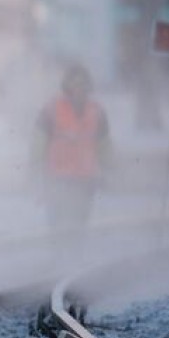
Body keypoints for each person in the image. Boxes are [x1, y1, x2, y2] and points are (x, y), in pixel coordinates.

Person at [31, 64, 112, 233]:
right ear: (67, 87)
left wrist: (109, 170)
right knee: (57, 224)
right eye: (75, 85)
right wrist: (35, 167)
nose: (79, 89)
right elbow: (39, 141)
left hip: (85, 180)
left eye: (83, 85)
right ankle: (58, 256)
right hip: (57, 178)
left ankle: (76, 256)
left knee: (79, 225)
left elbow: (104, 145)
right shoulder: (52, 109)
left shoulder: (96, 112)